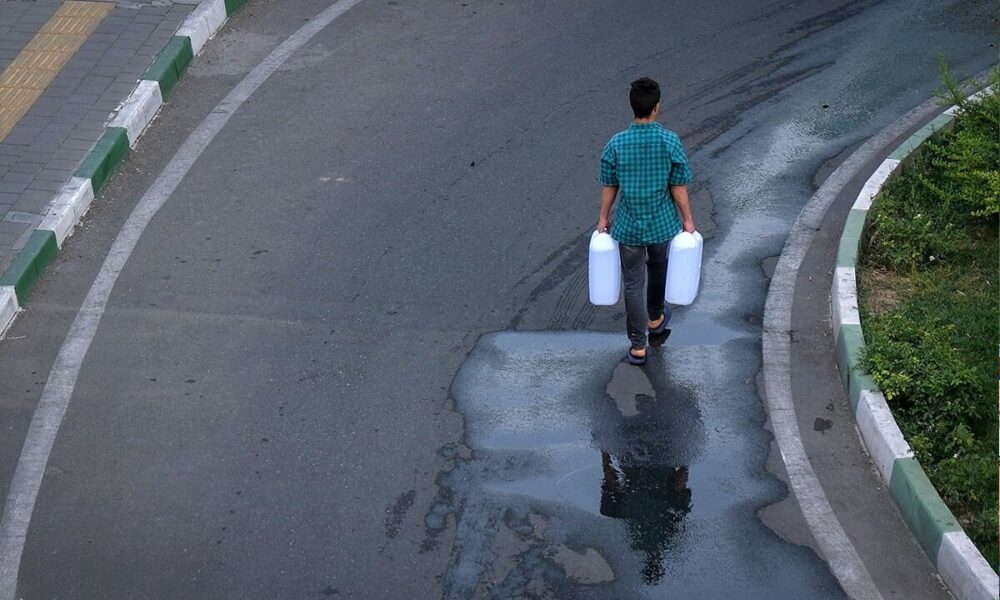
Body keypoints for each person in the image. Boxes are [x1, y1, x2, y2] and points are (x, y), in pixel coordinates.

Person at [598, 77, 695, 365]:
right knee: (658, 269)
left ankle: (637, 346)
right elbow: (678, 187)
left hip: (628, 226)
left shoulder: (616, 143)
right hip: (661, 224)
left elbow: (609, 185)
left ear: (632, 107)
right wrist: (688, 220)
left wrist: (603, 218)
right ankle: (655, 318)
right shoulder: (669, 141)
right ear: (657, 107)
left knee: (632, 283)